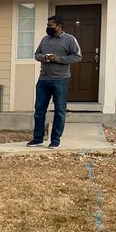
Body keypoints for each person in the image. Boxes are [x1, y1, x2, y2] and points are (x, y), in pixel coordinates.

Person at [28, 14, 82, 148]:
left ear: (59, 26)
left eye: (50, 26)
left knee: (59, 110)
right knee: (39, 110)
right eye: (47, 26)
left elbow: (77, 57)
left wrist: (57, 58)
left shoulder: (70, 39)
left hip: (60, 80)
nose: (48, 28)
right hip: (43, 80)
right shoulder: (45, 40)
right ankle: (37, 138)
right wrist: (44, 58)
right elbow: (36, 54)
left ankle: (55, 140)